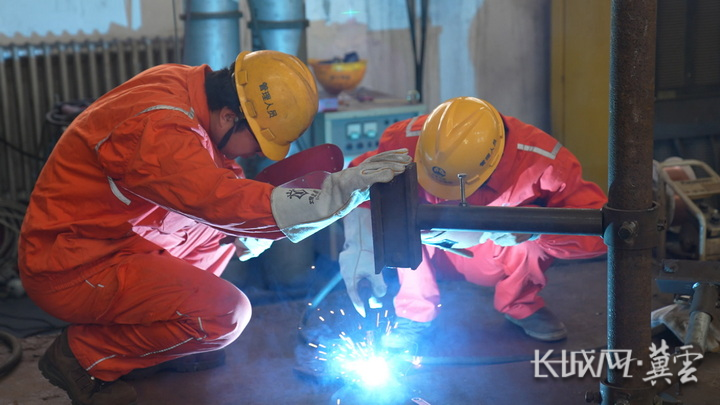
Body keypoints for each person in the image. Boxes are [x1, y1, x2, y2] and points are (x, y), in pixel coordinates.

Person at [18, 49, 411, 405]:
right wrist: (335, 194)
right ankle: (83, 355)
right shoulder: (158, 127)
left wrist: (244, 229)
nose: (257, 153)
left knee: (225, 237)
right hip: (71, 266)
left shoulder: (186, 88)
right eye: (258, 142)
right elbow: (217, 198)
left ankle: (154, 345)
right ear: (229, 117)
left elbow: (210, 173)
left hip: (112, 235)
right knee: (225, 315)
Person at [339, 96, 607, 348]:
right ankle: (414, 313)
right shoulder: (404, 141)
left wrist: (535, 229)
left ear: (493, 161)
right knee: (399, 217)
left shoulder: (543, 161)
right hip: (429, 252)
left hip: (493, 256)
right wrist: (360, 245)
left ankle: (519, 304)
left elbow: (601, 231)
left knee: (532, 237)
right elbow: (358, 187)